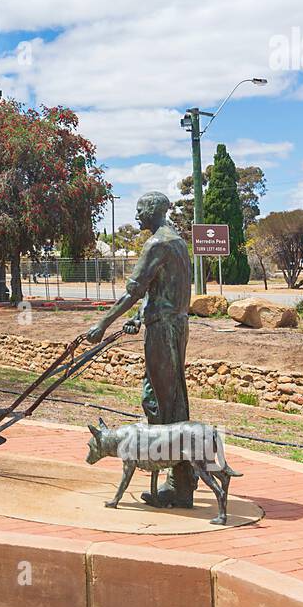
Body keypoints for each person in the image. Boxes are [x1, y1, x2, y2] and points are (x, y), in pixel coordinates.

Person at [85, 191, 196, 507]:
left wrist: (102, 324)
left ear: (154, 210)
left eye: (140, 209)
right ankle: (182, 478)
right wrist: (138, 318)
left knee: (162, 404)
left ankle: (179, 482)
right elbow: (158, 291)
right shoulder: (176, 242)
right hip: (171, 326)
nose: (137, 215)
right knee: (167, 399)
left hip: (163, 330)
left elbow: (133, 292)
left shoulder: (157, 243)